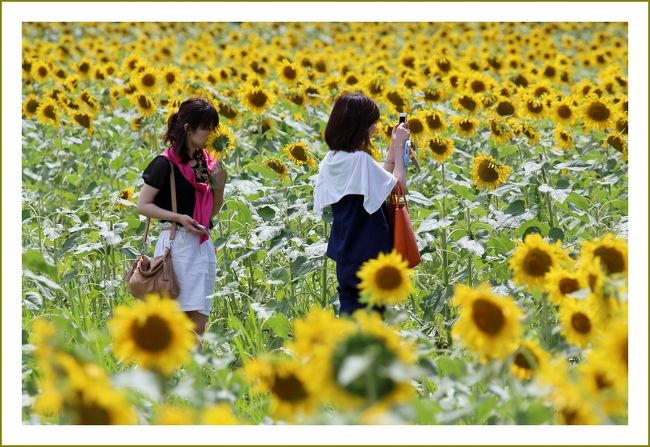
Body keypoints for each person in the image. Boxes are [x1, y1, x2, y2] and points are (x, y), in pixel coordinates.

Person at [313, 93, 410, 315]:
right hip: (370, 254)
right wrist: (400, 146)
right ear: (359, 126)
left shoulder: (332, 159)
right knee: (371, 321)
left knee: (350, 312)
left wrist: (393, 151)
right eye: (372, 123)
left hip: (346, 254)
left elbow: (375, 183)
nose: (375, 128)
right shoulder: (360, 160)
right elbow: (398, 187)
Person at [137, 98, 226, 335]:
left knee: (199, 319)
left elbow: (211, 212)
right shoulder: (165, 163)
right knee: (176, 319)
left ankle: (194, 370)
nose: (211, 133)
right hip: (176, 245)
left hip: (202, 244)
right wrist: (178, 217)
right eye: (207, 127)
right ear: (188, 128)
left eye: (212, 127)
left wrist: (221, 185)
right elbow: (143, 205)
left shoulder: (203, 163)